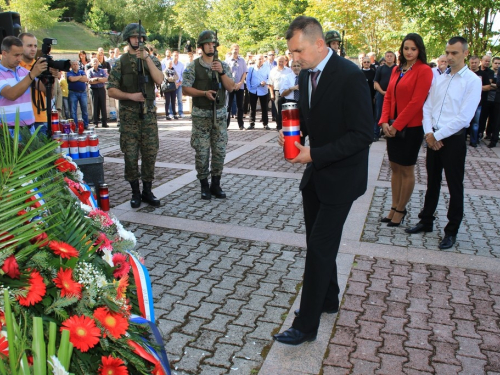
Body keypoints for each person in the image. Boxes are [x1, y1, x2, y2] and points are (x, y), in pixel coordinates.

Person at [273, 16, 373, 346]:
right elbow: (310, 117)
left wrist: (313, 155)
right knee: (319, 243)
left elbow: (363, 134)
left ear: (319, 44)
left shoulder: (350, 75)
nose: (293, 58)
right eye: (290, 52)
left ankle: (306, 324)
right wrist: (291, 134)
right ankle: (329, 297)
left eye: (298, 51)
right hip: (316, 176)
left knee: (318, 247)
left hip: (342, 177)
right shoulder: (305, 75)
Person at [405, 36, 481, 249]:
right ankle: (426, 220)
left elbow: (464, 118)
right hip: (433, 138)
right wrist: (429, 133)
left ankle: (451, 230)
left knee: (454, 185)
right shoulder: (439, 77)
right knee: (432, 182)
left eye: (454, 53)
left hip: (453, 140)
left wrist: (436, 136)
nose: (449, 57)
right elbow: (428, 107)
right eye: (447, 52)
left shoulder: (472, 81)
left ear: (465, 53)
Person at [378, 33, 433, 227]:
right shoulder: (396, 70)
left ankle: (401, 209)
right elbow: (388, 97)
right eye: (406, 48)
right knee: (395, 168)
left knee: (406, 169)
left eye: (413, 49)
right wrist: (384, 121)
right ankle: (393, 206)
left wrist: (396, 125)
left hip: (411, 128)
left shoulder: (424, 70)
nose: (409, 52)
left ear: (420, 50)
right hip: (392, 126)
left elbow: (417, 102)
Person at [107, 23, 164, 208]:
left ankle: (147, 191)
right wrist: (131, 96)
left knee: (149, 155)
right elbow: (111, 90)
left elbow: (160, 79)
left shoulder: (151, 59)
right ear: (128, 39)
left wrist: (147, 59)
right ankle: (135, 192)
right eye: (134, 38)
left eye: (140, 38)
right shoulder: (121, 62)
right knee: (130, 157)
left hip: (148, 117)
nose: (138, 41)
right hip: (129, 118)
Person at [182, 30, 235, 200]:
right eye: (208, 44)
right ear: (201, 46)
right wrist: (203, 93)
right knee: (202, 152)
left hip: (219, 116)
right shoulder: (193, 66)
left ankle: (216, 184)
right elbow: (185, 88)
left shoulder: (222, 65)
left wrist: (222, 73)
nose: (212, 46)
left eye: (214, 44)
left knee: (219, 152)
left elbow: (231, 87)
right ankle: (204, 185)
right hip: (201, 117)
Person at [0, 36, 48, 135]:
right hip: (8, 132)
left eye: (21, 55)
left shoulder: (23, 71)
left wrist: (51, 76)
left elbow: (46, 90)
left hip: (30, 130)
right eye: (16, 55)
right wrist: (32, 74)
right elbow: (11, 94)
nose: (19, 59)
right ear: (4, 53)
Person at [19, 33, 50, 135]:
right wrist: (33, 74)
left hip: (40, 118)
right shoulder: (14, 66)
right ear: (20, 46)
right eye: (29, 46)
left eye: (35, 46)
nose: (33, 49)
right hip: (20, 120)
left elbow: (50, 94)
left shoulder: (41, 65)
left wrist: (51, 78)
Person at [373, 51, 396, 141]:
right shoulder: (380, 69)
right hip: (381, 94)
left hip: (394, 95)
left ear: (394, 58)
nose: (389, 57)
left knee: (392, 114)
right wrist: (382, 92)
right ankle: (376, 133)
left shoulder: (398, 69)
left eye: (391, 56)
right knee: (378, 113)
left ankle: (389, 132)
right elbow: (376, 82)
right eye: (387, 56)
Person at [225, 43, 247, 130]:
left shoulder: (242, 60)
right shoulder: (227, 61)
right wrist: (231, 84)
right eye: (234, 49)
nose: (236, 51)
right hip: (230, 86)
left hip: (240, 86)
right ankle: (226, 125)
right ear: (231, 50)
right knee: (228, 106)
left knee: (240, 106)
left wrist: (240, 83)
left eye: (237, 49)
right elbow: (225, 74)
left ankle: (241, 125)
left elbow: (245, 72)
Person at [246, 54, 270, 130]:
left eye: (261, 59)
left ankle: (265, 124)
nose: (260, 60)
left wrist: (265, 82)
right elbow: (248, 79)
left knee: (264, 107)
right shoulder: (251, 68)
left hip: (263, 90)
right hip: (253, 90)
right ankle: (251, 123)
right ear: (255, 60)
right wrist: (249, 89)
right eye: (259, 59)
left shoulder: (267, 68)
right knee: (252, 108)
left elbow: (270, 78)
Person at [268, 55, 292, 130]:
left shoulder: (289, 70)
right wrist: (272, 94)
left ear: (285, 62)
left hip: (287, 92)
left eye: (282, 61)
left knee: (287, 109)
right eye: (279, 61)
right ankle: (279, 126)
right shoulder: (273, 71)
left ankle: (287, 125)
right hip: (277, 92)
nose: (281, 63)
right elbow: (270, 84)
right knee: (278, 110)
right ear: (277, 62)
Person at [87, 57, 109, 128]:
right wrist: (100, 79)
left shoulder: (102, 71)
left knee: (103, 105)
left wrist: (96, 79)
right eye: (94, 62)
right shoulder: (89, 71)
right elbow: (90, 81)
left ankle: (104, 122)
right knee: (95, 106)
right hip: (94, 90)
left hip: (101, 89)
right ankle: (95, 122)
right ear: (91, 64)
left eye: (96, 61)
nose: (95, 63)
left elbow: (106, 79)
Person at [67, 60, 89, 128]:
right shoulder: (69, 73)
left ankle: (85, 124)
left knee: (84, 109)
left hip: (83, 92)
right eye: (74, 64)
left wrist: (77, 78)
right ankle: (75, 126)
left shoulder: (81, 71)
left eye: (76, 64)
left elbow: (85, 79)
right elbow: (71, 79)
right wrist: (80, 77)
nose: (75, 65)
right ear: (71, 66)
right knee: (73, 110)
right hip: (73, 93)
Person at [170, 51, 185, 118]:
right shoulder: (170, 64)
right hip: (171, 84)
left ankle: (180, 112)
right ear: (172, 56)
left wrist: (179, 83)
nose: (176, 57)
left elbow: (183, 75)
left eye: (177, 55)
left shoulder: (181, 65)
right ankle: (171, 112)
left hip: (179, 84)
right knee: (172, 100)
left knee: (180, 99)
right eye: (174, 55)